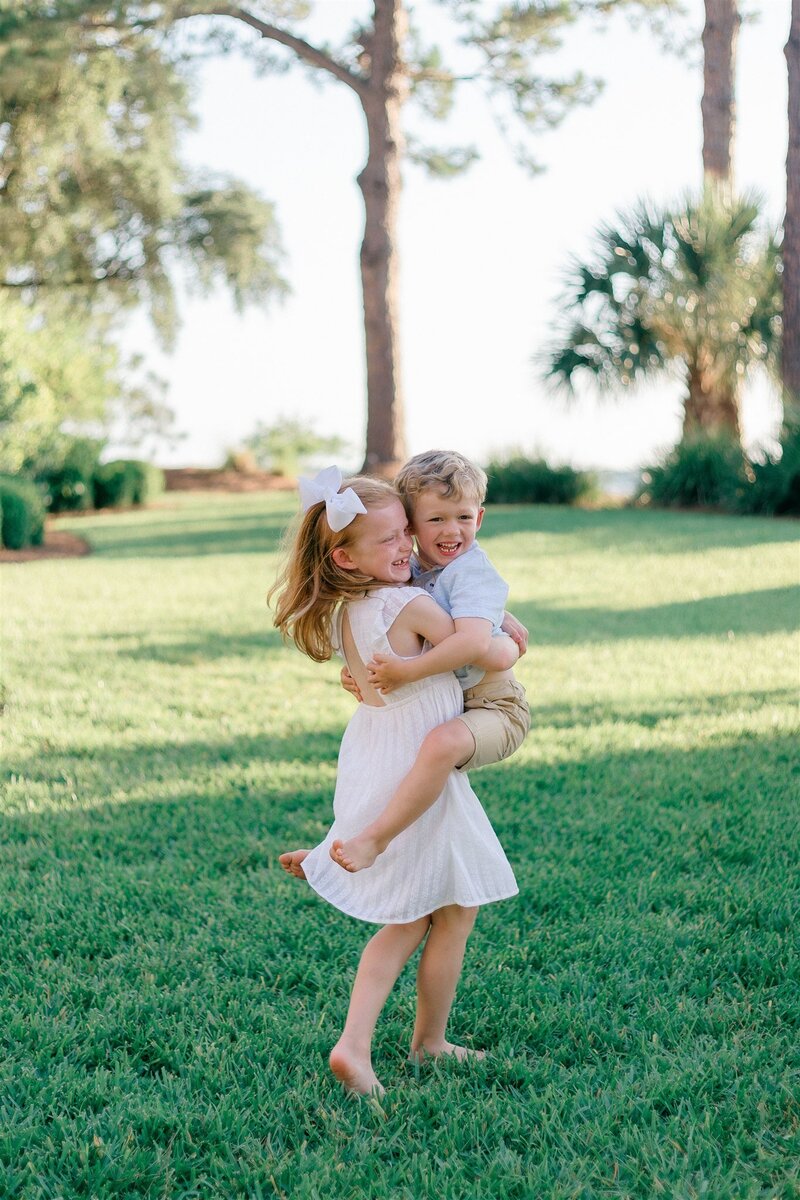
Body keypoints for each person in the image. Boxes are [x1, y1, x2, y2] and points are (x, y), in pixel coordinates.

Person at [270, 467, 518, 1097]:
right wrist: (509, 636)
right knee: (435, 913)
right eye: (389, 540)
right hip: (418, 771)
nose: (406, 547)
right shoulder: (408, 602)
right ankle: (400, 1044)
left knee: (434, 911)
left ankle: (389, 1042)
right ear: (344, 555)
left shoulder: (345, 610)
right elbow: (482, 651)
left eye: (405, 534)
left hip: (380, 758)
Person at [330, 449, 530, 875]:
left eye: (462, 517)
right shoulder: (415, 568)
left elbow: (474, 644)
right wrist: (359, 673)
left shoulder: (471, 570)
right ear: (411, 525)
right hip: (453, 703)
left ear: (479, 519)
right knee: (395, 756)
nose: (451, 530)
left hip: (495, 707)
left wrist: (408, 671)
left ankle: (375, 840)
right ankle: (332, 850)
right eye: (435, 519)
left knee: (439, 745)